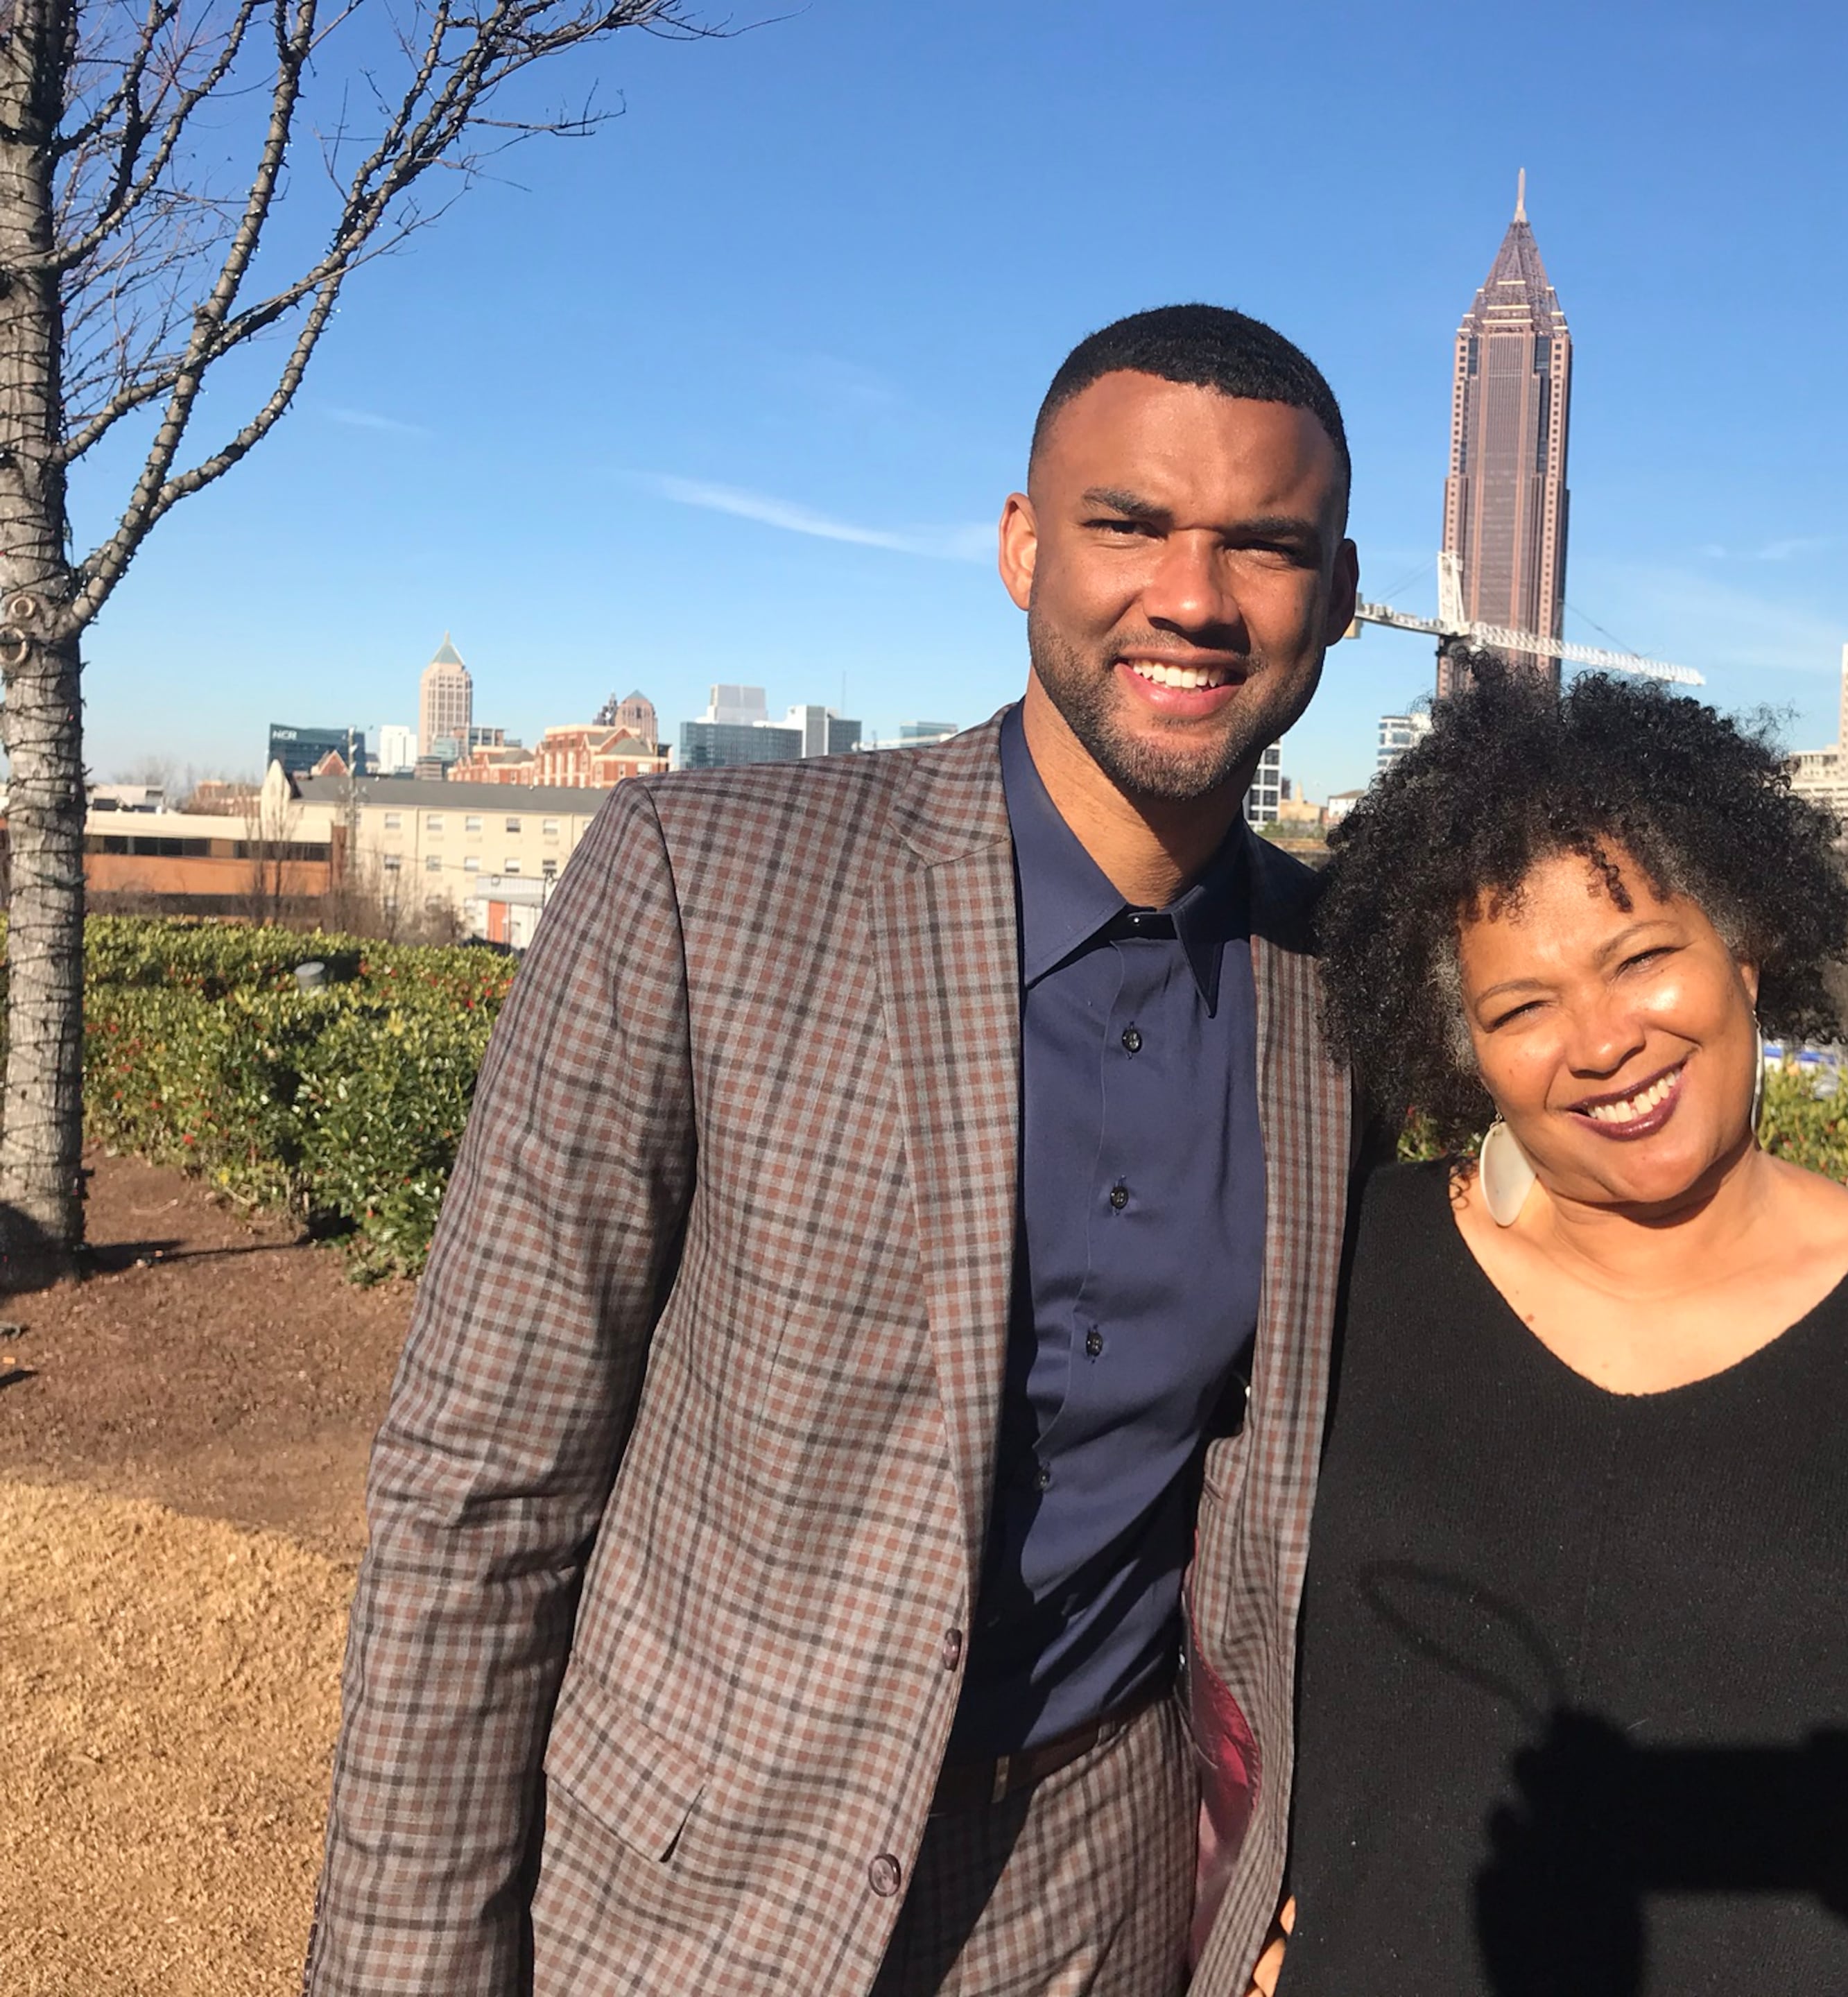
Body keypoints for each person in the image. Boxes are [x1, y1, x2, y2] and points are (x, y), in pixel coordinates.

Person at [308, 304, 1363, 1997]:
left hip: (1093, 1892)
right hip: (692, 1888)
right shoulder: (698, 880)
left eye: (1265, 544)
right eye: (1130, 524)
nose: (1195, 594)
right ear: (1024, 547)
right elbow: (478, 1493)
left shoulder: (1339, 990)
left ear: (1339, 590)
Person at [1254, 666, 1848, 1997]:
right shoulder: (1348, 1278)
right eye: (1521, 1008)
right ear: (1463, 1050)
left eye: (1642, 958)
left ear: (1748, 952)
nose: (1599, 1042)